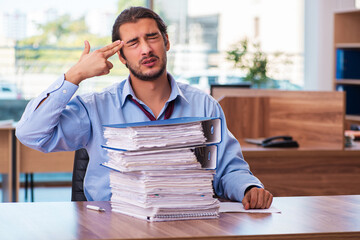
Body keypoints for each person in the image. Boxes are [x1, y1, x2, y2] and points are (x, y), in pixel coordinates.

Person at [16, 6, 273, 209]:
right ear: (121, 56)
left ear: (167, 42)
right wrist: (75, 75)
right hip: (113, 225)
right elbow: (30, 133)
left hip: (186, 222)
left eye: (152, 38)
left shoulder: (203, 104)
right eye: (133, 43)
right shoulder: (95, 107)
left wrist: (248, 188)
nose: (146, 49)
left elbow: (228, 168)